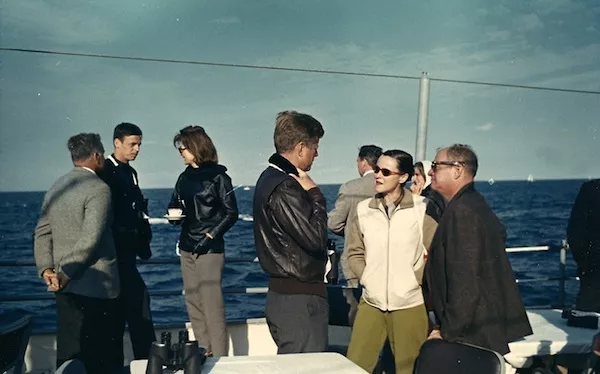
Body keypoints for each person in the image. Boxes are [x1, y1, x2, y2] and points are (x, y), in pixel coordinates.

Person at [425, 144, 532, 355]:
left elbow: (466, 282)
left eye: (436, 166)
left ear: (457, 170)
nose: (430, 171)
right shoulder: (475, 203)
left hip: (471, 333)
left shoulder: (462, 211)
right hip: (480, 326)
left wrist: (448, 332)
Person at [34, 133, 121, 373]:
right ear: (96, 156)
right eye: (102, 154)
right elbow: (90, 239)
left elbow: (42, 233)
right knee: (100, 357)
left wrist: (47, 270)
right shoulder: (99, 189)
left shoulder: (56, 186)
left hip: (63, 287)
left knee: (69, 353)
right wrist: (67, 274)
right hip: (96, 287)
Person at [346, 150, 438, 374]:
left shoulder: (422, 208)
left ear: (403, 177)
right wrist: (368, 277)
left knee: (410, 369)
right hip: (372, 303)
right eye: (377, 169)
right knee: (355, 366)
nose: (378, 175)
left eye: (386, 172)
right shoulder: (363, 210)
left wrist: (415, 281)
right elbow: (354, 252)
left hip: (410, 304)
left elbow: (435, 254)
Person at [253, 110, 329, 354]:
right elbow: (316, 238)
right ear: (300, 148)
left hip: (287, 297)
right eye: (314, 147)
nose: (316, 153)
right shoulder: (285, 186)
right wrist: (315, 195)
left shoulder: (269, 178)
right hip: (299, 301)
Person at [168, 125, 239, 357]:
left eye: (184, 147)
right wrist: (174, 216)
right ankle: (203, 352)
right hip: (187, 246)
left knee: (212, 306)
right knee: (193, 303)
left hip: (210, 250)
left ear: (197, 147)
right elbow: (175, 203)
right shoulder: (183, 178)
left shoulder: (220, 177)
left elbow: (231, 213)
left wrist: (210, 236)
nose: (180, 152)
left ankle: (219, 357)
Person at [98, 122, 156, 359]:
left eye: (139, 145)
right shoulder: (106, 171)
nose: (136, 150)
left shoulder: (131, 173)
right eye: (132, 144)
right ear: (117, 143)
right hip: (114, 255)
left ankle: (146, 362)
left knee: (138, 307)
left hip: (129, 253)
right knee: (121, 314)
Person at [328, 144, 382, 288]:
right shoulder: (389, 187)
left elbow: (334, 223)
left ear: (363, 162)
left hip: (355, 259)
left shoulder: (350, 188)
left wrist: (351, 233)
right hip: (384, 261)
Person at [567, 179, 600, 312]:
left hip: (594, 272)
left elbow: (575, 232)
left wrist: (585, 263)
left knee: (587, 320)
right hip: (594, 271)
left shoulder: (591, 188)